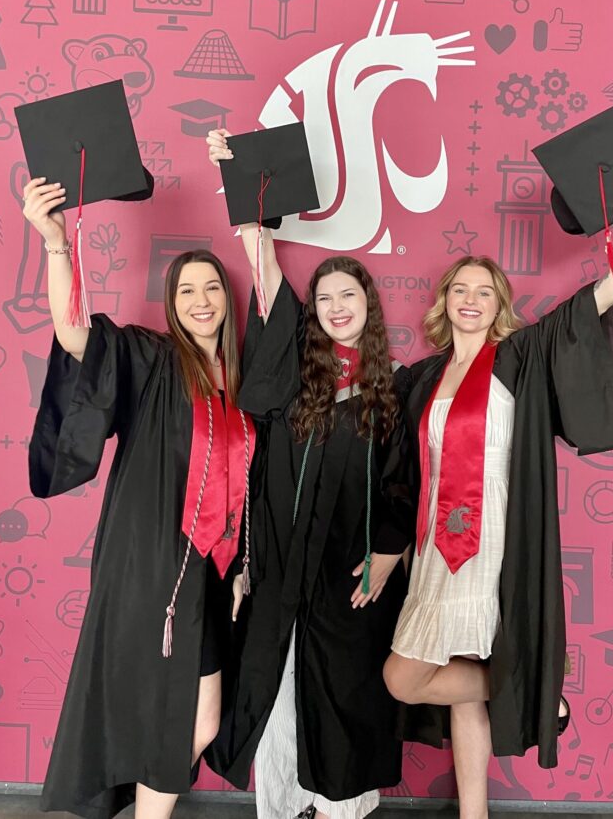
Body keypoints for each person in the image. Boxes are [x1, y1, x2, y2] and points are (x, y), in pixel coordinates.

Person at [383, 170, 613, 819]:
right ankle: (528, 688)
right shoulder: (417, 381)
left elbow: (598, 300)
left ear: (499, 305)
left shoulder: (518, 360)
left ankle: (475, 812)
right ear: (443, 302)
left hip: (500, 545)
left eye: (484, 291)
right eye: (459, 289)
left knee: (458, 690)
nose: (471, 298)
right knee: (403, 678)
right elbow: (400, 474)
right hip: (435, 554)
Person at [24, 175, 255, 819]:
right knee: (159, 718)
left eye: (213, 287)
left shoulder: (243, 388)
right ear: (172, 303)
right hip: (151, 570)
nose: (202, 299)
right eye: (187, 290)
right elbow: (77, 338)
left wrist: (241, 568)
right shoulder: (153, 361)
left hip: (209, 577)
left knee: (200, 718)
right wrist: (54, 246)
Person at [205, 129, 416, 819]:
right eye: (324, 298)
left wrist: (386, 557)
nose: (334, 306)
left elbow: (400, 482)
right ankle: (284, 802)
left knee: (346, 692)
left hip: (347, 577)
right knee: (276, 686)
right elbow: (264, 271)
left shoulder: (390, 392)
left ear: (367, 305)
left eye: (346, 295)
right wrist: (234, 173)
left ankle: (340, 808)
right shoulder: (298, 377)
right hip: (279, 571)